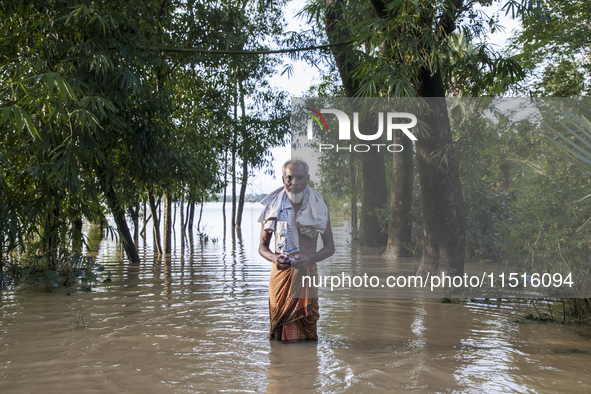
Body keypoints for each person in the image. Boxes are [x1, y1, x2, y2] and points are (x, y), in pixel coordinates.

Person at [258, 159, 335, 343]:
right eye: (289, 178)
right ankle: (279, 367)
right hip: (280, 275)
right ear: (283, 179)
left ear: (307, 178)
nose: (294, 183)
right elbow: (262, 247)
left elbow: (330, 247)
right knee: (277, 331)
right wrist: (275, 259)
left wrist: (310, 259)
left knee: (308, 329)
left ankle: (307, 369)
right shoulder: (273, 207)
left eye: (300, 177)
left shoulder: (319, 208)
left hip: (307, 273)